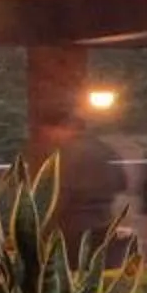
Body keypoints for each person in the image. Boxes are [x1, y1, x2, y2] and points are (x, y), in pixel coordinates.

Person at [36, 95, 131, 253]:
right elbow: (123, 182)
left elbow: (58, 198)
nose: (48, 137)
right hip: (104, 224)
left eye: (49, 132)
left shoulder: (65, 156)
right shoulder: (104, 149)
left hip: (72, 231)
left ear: (63, 126)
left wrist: (41, 230)